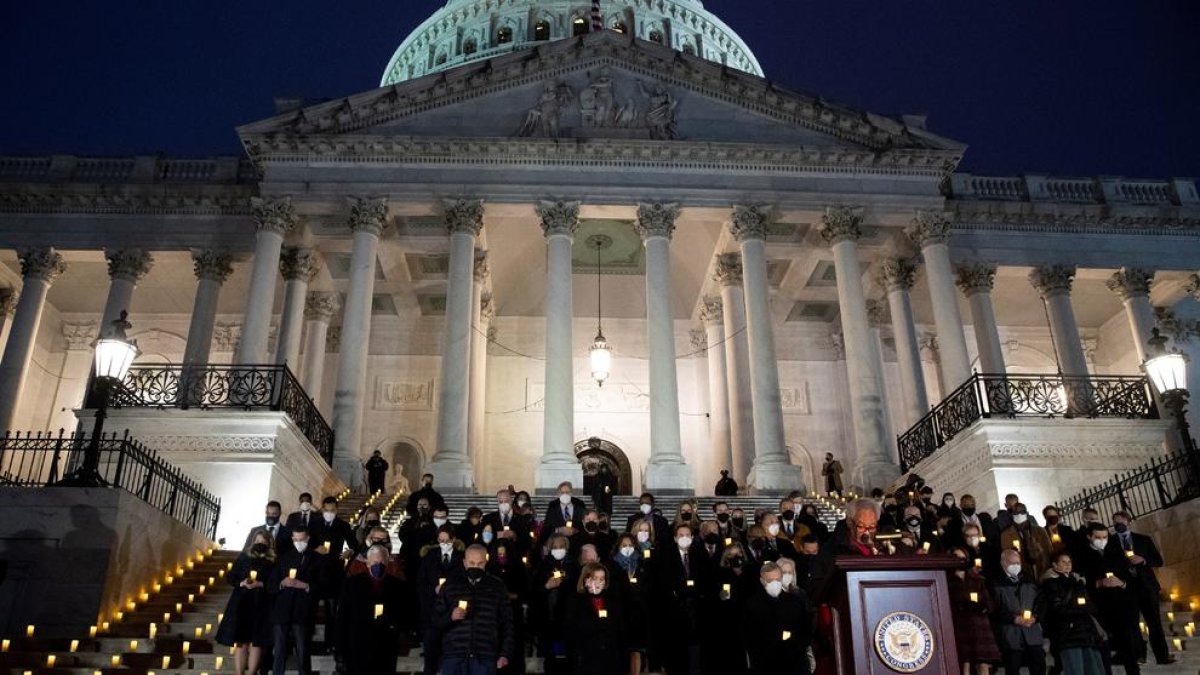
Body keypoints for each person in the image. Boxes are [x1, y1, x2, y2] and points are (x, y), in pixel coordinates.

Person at [434, 544, 516, 675]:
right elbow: (435, 621)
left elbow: (508, 623)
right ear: (464, 562)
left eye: (480, 563)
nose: (475, 567)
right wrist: (450, 617)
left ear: (486, 562)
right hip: (454, 656)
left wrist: (505, 654)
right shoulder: (450, 585)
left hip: (485, 656)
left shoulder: (497, 586)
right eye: (472, 563)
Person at [1075, 522, 1143, 675]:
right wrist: (1098, 583)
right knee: (1103, 646)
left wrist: (1121, 583)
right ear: (1089, 537)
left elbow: (1130, 578)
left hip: (1121, 605)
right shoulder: (1082, 556)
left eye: (1104, 537)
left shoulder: (1115, 552)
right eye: (1098, 537)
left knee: (1127, 645)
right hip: (1099, 607)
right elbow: (1079, 583)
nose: (1102, 540)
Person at [1111, 511, 1173, 665]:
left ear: (1128, 521)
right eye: (1115, 521)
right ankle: (1139, 655)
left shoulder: (1143, 539)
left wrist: (1143, 560)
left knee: (1155, 623)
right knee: (1132, 624)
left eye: (1121, 521)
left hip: (1147, 587)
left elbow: (1158, 561)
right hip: (1126, 588)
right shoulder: (1111, 542)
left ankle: (1162, 656)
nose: (1118, 524)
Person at [336, 544, 407, 675]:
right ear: (367, 563)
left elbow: (403, 615)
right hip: (358, 645)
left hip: (385, 647)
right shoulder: (352, 584)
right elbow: (342, 618)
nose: (378, 565)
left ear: (387, 562)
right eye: (375, 562)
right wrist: (340, 653)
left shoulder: (398, 586)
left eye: (382, 562)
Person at [215, 533, 276, 675]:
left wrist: (260, 584)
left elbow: (274, 582)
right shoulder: (244, 557)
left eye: (263, 541)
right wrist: (241, 582)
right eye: (257, 540)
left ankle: (252, 673)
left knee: (256, 642)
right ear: (253, 541)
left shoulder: (273, 561)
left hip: (261, 604)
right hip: (242, 603)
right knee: (241, 642)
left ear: (269, 543)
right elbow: (231, 577)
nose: (260, 543)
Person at [741, 561, 813, 675]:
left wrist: (795, 643)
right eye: (770, 580)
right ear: (762, 581)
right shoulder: (752, 606)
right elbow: (749, 637)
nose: (775, 583)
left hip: (795, 662)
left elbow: (806, 629)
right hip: (766, 665)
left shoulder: (795, 602)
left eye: (778, 579)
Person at [1041, 552, 1106, 675]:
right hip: (1068, 633)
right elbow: (1057, 609)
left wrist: (1084, 608)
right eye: (1063, 562)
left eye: (1069, 562)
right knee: (1076, 669)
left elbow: (1090, 604)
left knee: (1093, 669)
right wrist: (1082, 610)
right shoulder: (1051, 583)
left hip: (1086, 632)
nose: (1068, 565)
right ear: (1055, 565)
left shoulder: (1077, 582)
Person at [267, 526, 320, 675]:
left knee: (303, 651)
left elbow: (323, 585)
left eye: (301, 539)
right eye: (295, 539)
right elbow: (271, 584)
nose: (298, 542)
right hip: (282, 610)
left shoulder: (317, 559)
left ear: (308, 539)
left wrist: (305, 585)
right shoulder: (283, 558)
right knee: (279, 651)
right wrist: (282, 583)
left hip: (302, 611)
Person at [660, 523, 707, 675]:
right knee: (677, 653)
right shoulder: (666, 556)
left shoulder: (700, 555)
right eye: (681, 535)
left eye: (687, 535)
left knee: (695, 651)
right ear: (675, 538)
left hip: (696, 610)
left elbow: (706, 579)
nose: (684, 538)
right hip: (675, 611)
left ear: (692, 538)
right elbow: (663, 582)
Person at [417, 525, 465, 675]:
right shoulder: (429, 557)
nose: (444, 544)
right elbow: (420, 584)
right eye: (441, 540)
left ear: (453, 539)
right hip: (432, 613)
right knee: (430, 657)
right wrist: (433, 590)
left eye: (447, 541)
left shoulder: (461, 558)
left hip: (452, 613)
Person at [990, 548, 1047, 675]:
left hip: (1032, 632)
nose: (1016, 566)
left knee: (1039, 666)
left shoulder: (1029, 580)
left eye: (1018, 563)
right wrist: (1014, 618)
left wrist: (1035, 617)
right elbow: (994, 607)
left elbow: (1041, 602)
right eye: (1012, 563)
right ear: (1004, 563)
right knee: (1012, 667)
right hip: (1010, 635)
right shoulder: (995, 583)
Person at [945, 547, 1000, 674]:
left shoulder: (977, 579)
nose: (961, 561)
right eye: (957, 557)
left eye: (963, 558)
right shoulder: (947, 580)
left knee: (983, 661)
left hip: (979, 624)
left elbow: (989, 602)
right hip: (960, 623)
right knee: (964, 661)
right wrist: (962, 604)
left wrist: (983, 607)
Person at [567, 562, 626, 675]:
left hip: (610, 658)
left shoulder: (612, 600)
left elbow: (619, 627)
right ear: (586, 580)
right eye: (595, 578)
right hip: (587, 657)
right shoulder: (576, 601)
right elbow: (573, 628)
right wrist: (597, 623)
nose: (598, 582)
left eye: (602, 579)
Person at [999, 502, 1053, 578]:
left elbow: (1049, 550)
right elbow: (1008, 554)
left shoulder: (1040, 531)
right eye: (1016, 513)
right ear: (1012, 514)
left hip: (1042, 568)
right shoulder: (1006, 534)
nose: (1019, 515)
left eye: (1022, 512)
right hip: (1022, 571)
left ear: (1026, 513)